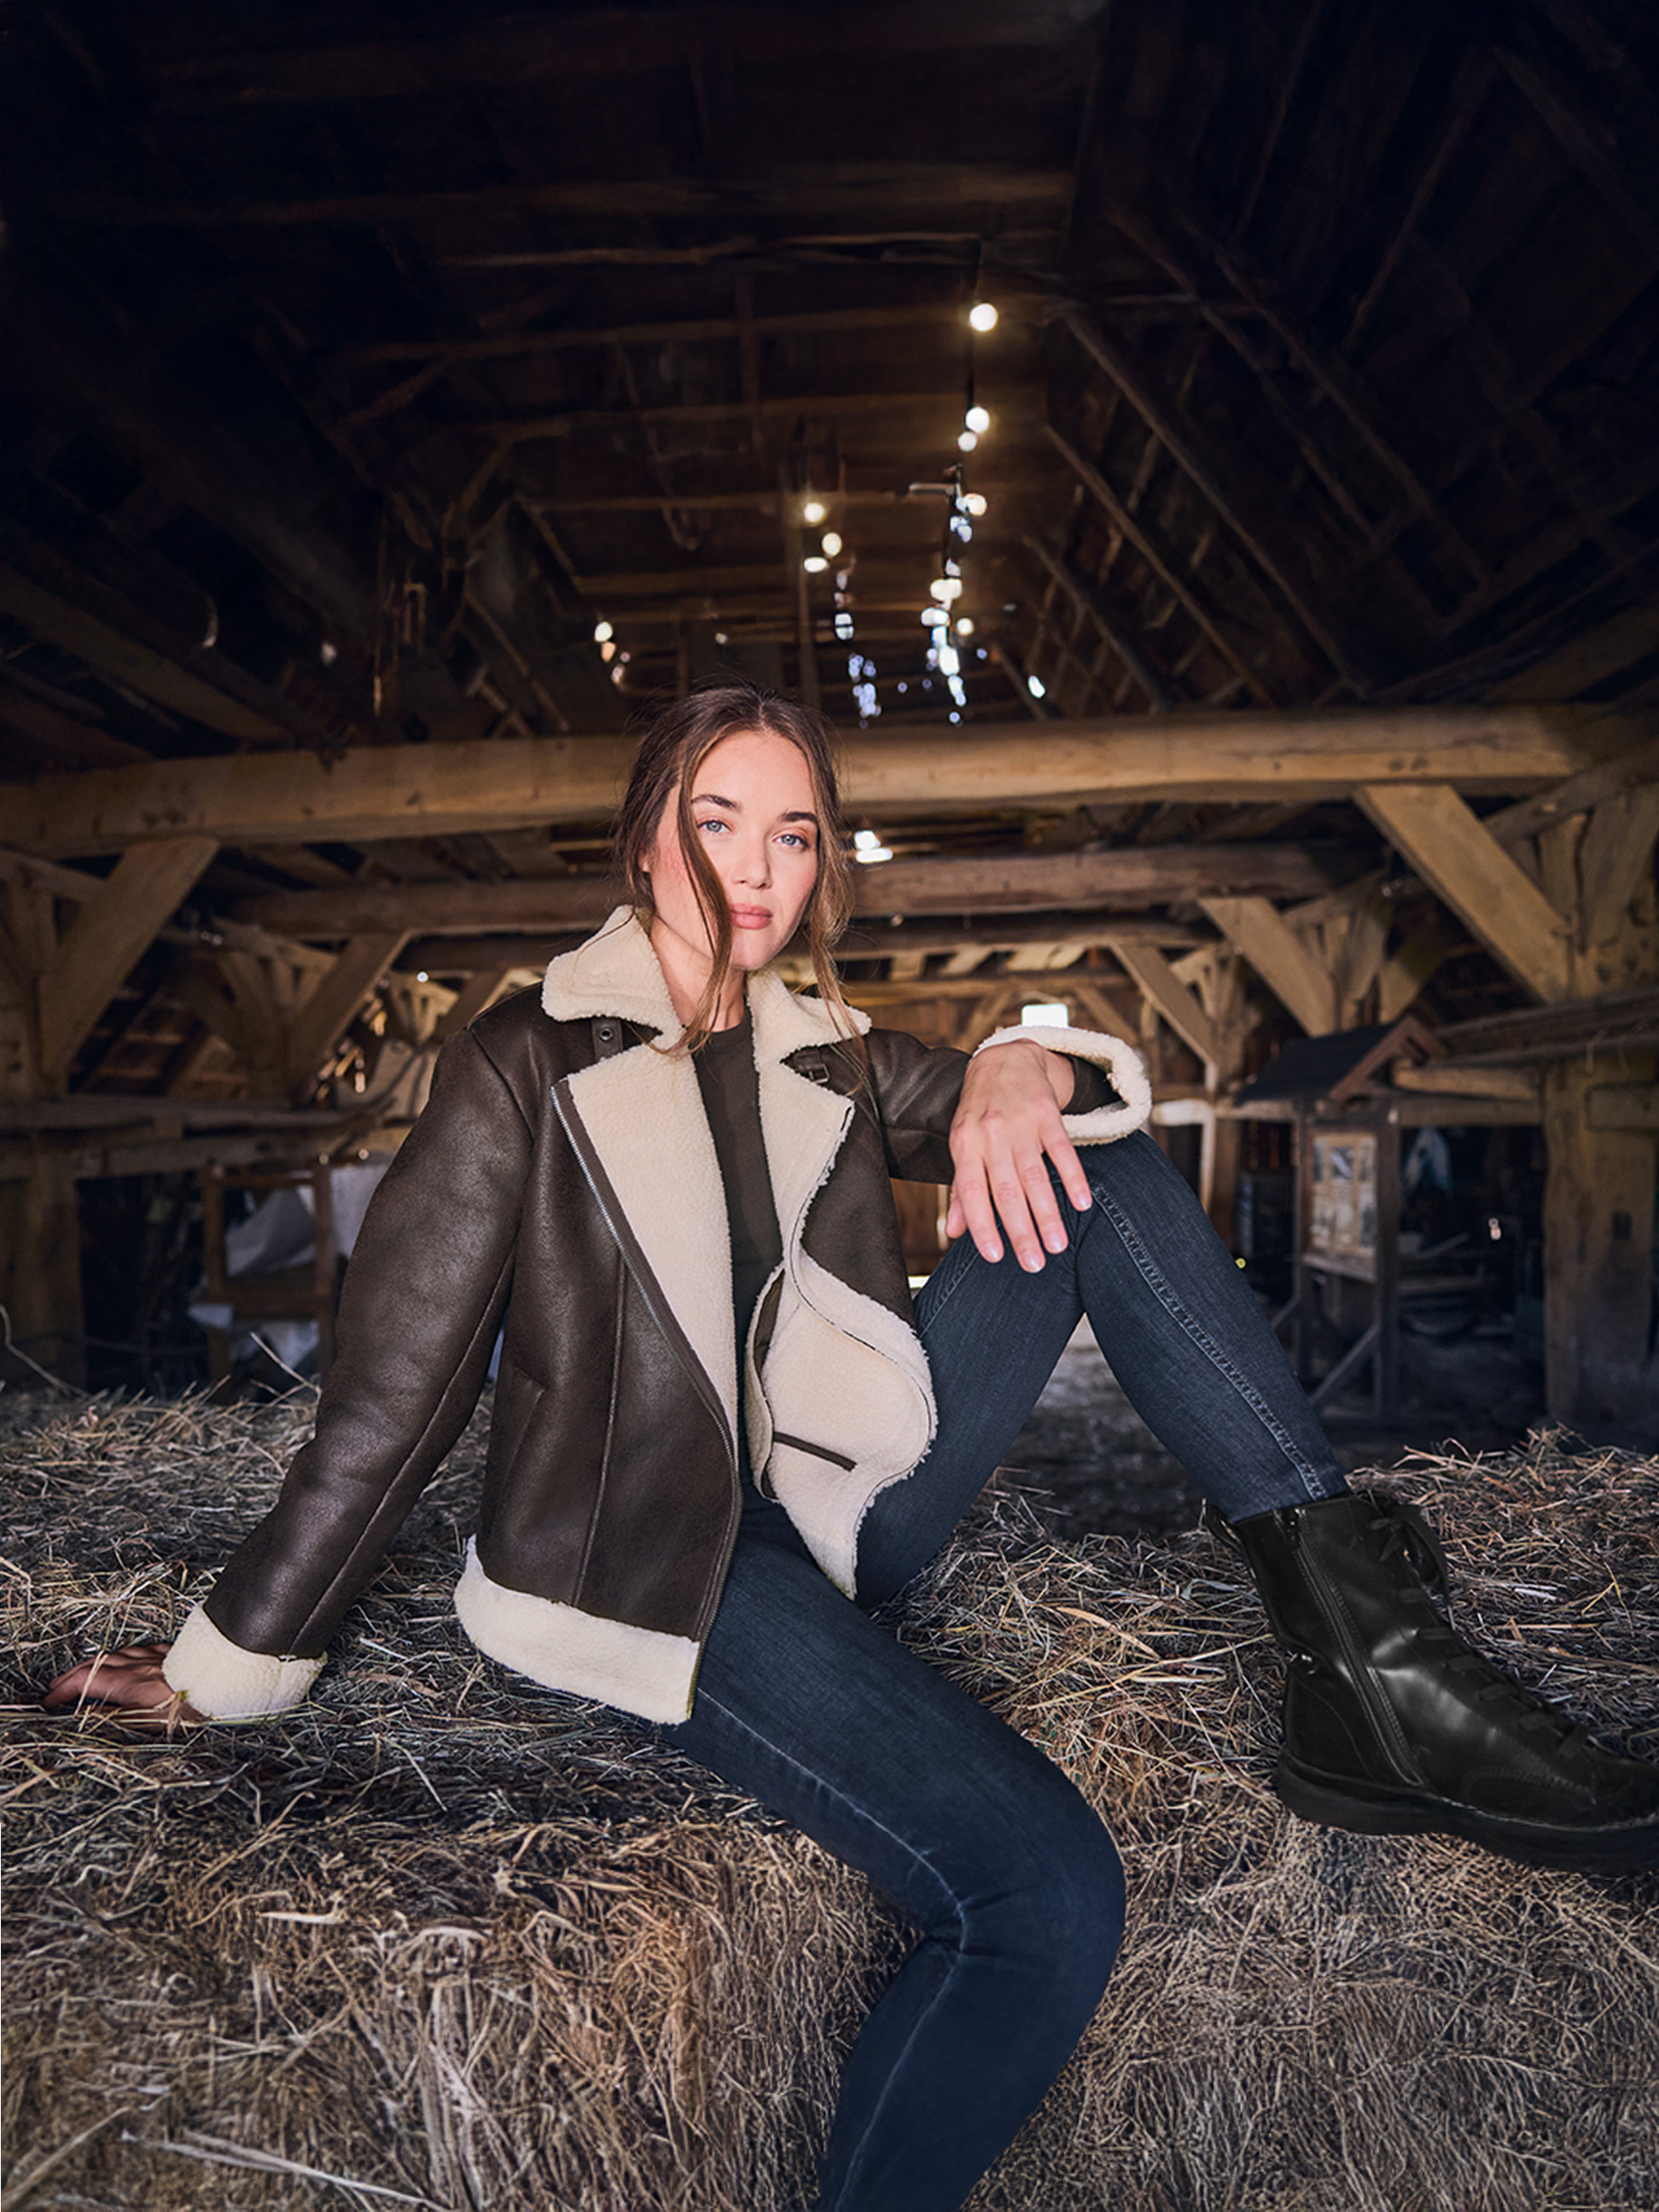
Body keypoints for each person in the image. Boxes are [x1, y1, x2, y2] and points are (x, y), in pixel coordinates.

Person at [48, 682, 1659, 2212]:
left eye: (797, 833)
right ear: (643, 836)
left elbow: (990, 1096)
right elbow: (385, 1410)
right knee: (1044, 1896)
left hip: (830, 1499)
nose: (756, 867)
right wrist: (226, 1664)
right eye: (719, 820)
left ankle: (1373, 1664)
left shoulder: (817, 1041)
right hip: (661, 1558)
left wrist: (1023, 1060)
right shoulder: (521, 1067)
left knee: (1093, 1174)